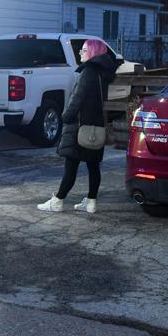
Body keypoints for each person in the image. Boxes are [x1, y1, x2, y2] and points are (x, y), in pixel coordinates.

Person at [38, 39, 117, 213]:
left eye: (83, 50)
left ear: (93, 52)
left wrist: (66, 116)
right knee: (93, 165)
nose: (80, 53)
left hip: (80, 124)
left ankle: (58, 200)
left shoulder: (88, 71)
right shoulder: (102, 73)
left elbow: (77, 98)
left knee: (71, 165)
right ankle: (91, 202)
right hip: (95, 125)